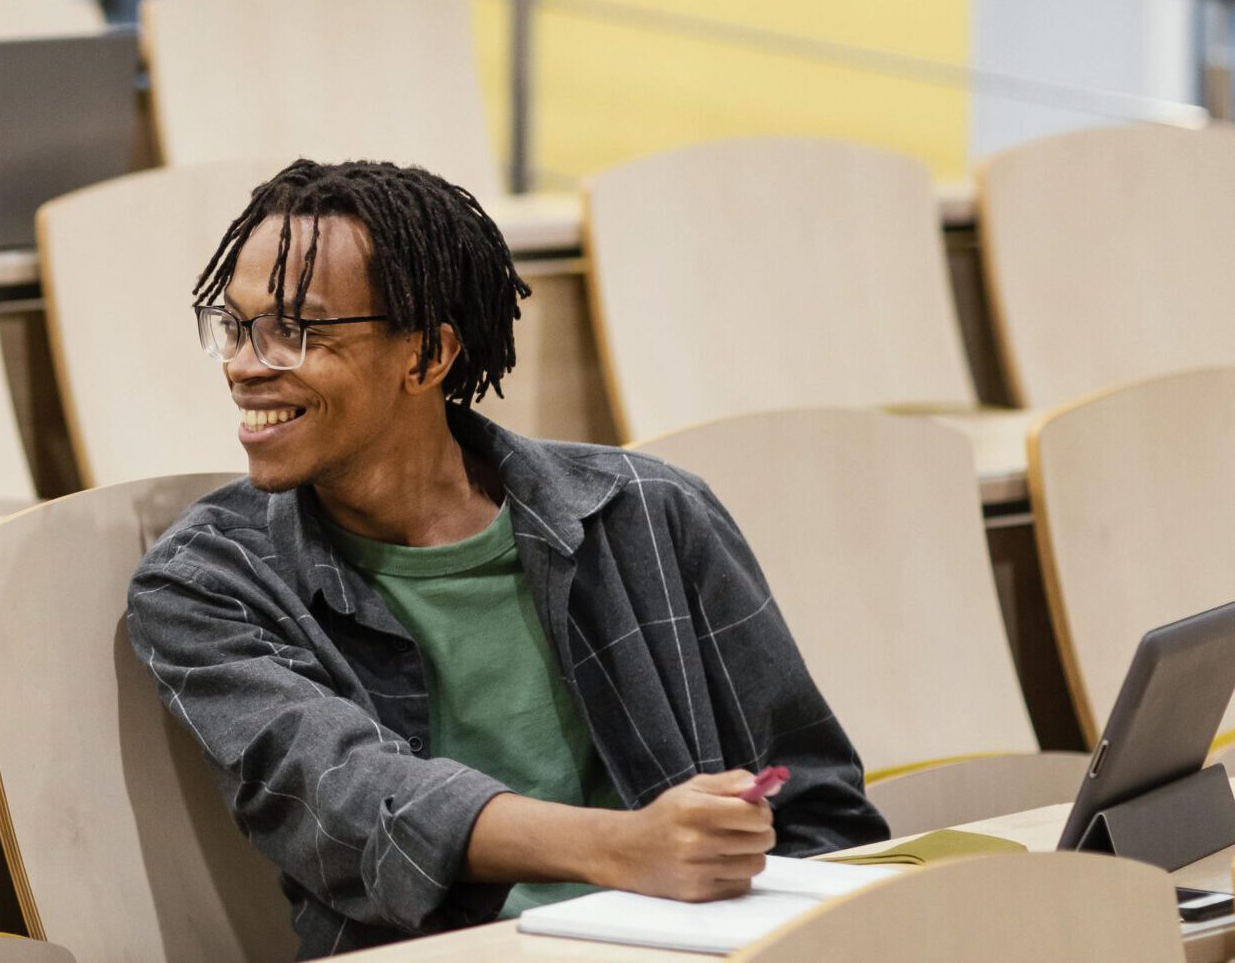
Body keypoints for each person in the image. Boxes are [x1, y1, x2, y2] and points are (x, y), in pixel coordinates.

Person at [126, 159, 883, 957]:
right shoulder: (206, 584)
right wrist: (626, 848)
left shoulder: (649, 511)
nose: (245, 365)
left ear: (426, 355)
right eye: (235, 327)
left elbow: (819, 810)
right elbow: (346, 800)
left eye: (295, 332)